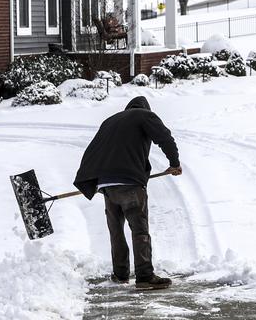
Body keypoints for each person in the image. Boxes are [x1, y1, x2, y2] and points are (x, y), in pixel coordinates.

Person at [74, 96, 182, 290]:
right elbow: (165, 138)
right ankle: (145, 276)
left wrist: (93, 180)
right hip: (129, 183)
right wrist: (174, 163)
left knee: (116, 231)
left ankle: (120, 274)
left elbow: (93, 150)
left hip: (106, 184)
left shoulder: (110, 121)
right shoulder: (145, 116)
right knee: (139, 229)